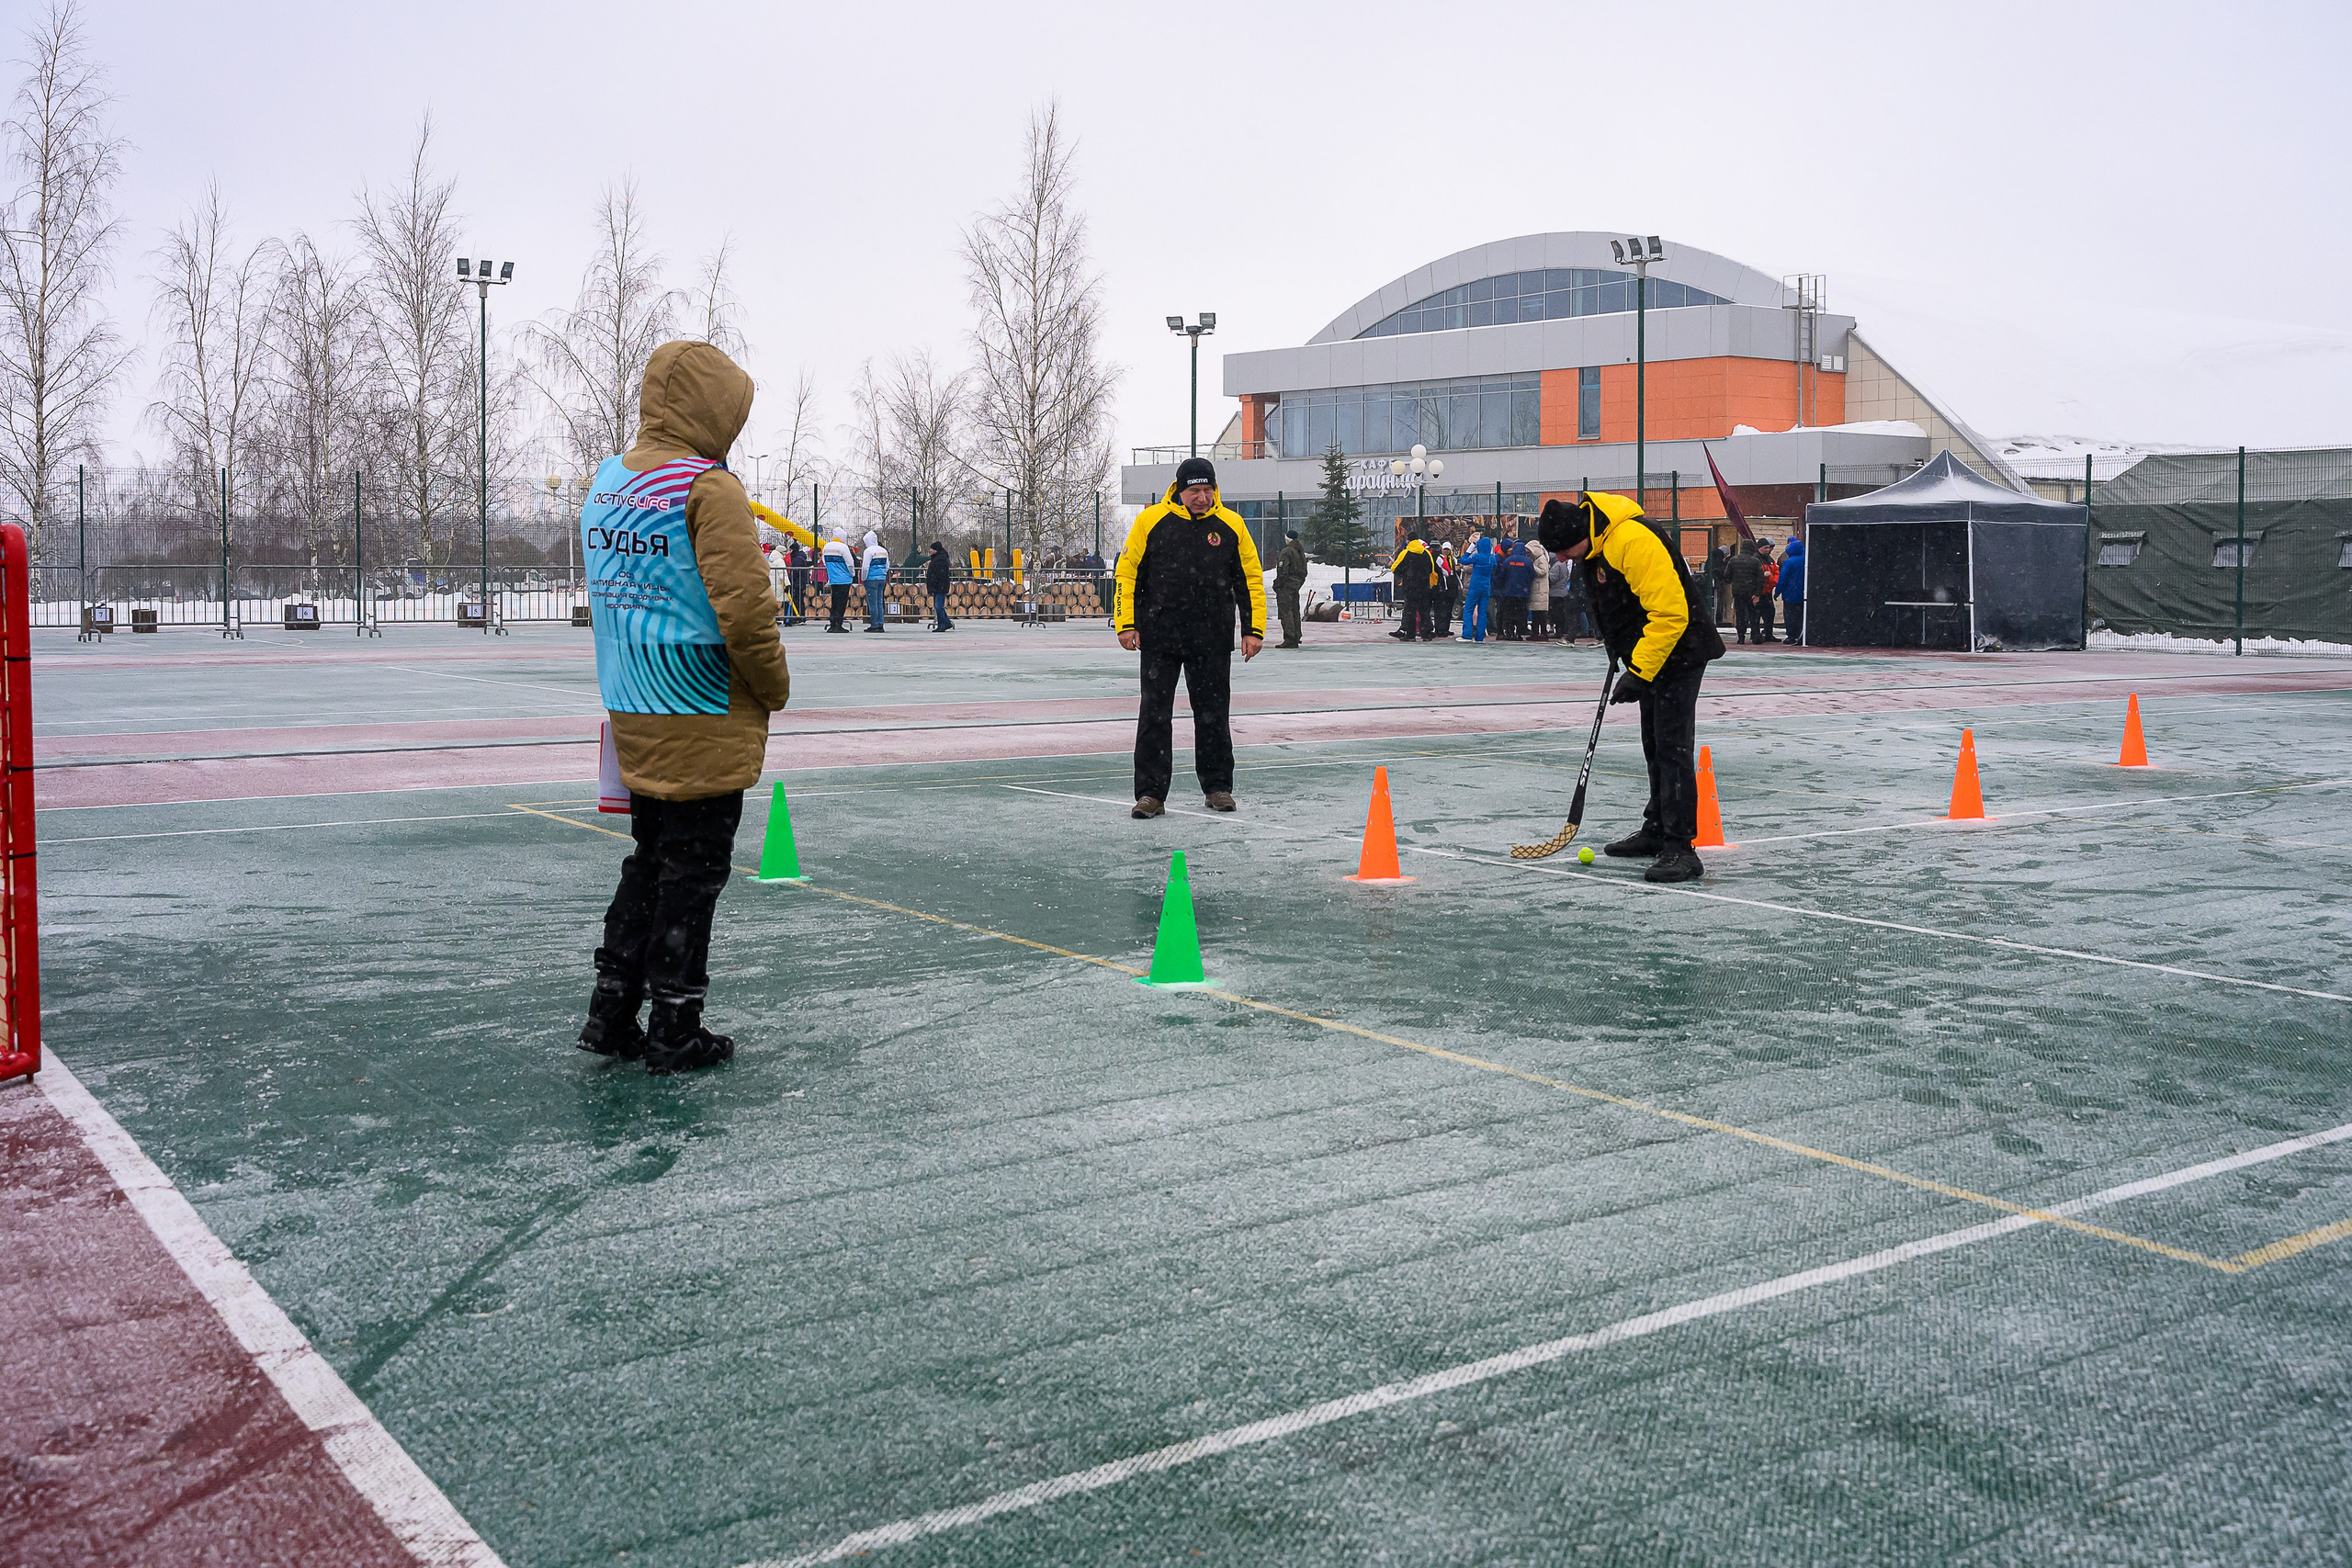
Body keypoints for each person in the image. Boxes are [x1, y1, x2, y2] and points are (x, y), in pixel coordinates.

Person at [575, 340, 789, 1074]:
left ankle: (611, 1007)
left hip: (633, 705)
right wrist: (774, 686)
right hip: (700, 707)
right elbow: (745, 610)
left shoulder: (608, 481)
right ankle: (675, 1024)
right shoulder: (709, 488)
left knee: (648, 860)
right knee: (693, 872)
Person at [1539, 491, 1724, 884]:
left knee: (1673, 748)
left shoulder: (1632, 541)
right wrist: (1619, 650)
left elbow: (1670, 613)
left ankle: (1681, 848)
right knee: (1654, 743)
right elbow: (1621, 606)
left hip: (1680, 651)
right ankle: (1656, 829)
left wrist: (1639, 670)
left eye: (1564, 550)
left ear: (1581, 532)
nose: (1561, 559)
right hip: (1653, 654)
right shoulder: (1596, 547)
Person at [1114, 456, 1265, 818]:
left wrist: (1253, 629)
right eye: (1195, 490)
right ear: (1179, 491)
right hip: (1159, 637)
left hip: (1211, 640)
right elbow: (1127, 573)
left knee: (1213, 715)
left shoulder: (1232, 525)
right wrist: (1126, 623)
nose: (1202, 497)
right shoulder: (1150, 522)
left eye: (1208, 490)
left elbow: (1250, 579)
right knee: (1154, 716)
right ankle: (1150, 794)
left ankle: (1218, 788)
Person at [1391, 530, 1436, 641]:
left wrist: (1405, 574)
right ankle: (1426, 634)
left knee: (1410, 610)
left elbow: (1394, 568)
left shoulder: (1405, 553)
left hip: (1411, 587)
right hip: (1424, 586)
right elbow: (1432, 569)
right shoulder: (1426, 553)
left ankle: (1410, 635)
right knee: (1424, 611)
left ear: (1408, 540)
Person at [1273, 528, 1308, 648]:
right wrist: (1298, 583)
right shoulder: (1300, 552)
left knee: (1286, 611)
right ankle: (1296, 636)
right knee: (1295, 611)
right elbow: (1304, 572)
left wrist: (1278, 583)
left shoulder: (1287, 551)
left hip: (1286, 586)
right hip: (1296, 585)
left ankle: (1289, 638)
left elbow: (1283, 570)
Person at [1727, 539, 1765, 645]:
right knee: (1754, 614)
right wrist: (1757, 593)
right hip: (1751, 592)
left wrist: (1735, 582)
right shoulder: (1755, 561)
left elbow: (1727, 576)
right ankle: (1755, 636)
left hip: (1738, 592)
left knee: (1740, 614)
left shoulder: (1733, 560)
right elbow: (1760, 579)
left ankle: (1741, 636)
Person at [1459, 534, 1495, 642]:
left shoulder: (1477, 557)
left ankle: (1467, 635)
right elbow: (1496, 566)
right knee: (1482, 612)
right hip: (1486, 587)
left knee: (1468, 610)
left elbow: (1463, 560)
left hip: (1475, 586)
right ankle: (1480, 636)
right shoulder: (1491, 558)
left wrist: (1470, 548)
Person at [1496, 538, 1533, 640]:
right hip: (1523, 593)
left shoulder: (1507, 561)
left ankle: (1510, 632)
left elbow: (1502, 575)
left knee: (1509, 613)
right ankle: (1519, 633)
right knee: (1521, 613)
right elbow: (1532, 575)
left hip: (1509, 592)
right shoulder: (1528, 561)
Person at [820, 528, 855, 632]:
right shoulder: (843, 547)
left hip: (833, 578)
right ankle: (838, 624)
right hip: (844, 579)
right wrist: (852, 574)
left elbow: (824, 561)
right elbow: (850, 562)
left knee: (835, 601)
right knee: (842, 602)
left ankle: (832, 623)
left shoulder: (826, 547)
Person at [1778, 532, 1806, 645]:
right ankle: (1801, 634)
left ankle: (1791, 636)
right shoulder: (1806, 559)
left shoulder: (1789, 562)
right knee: (1801, 616)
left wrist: (1778, 591)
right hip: (1803, 593)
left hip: (1790, 593)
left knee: (1790, 616)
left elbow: (1783, 578)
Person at [860, 530, 891, 632]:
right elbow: (887, 566)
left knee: (872, 603)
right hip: (881, 579)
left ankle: (874, 624)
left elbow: (865, 567)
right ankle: (880, 624)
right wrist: (882, 574)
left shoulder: (868, 551)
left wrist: (864, 578)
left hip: (871, 579)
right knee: (879, 602)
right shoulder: (883, 551)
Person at [1525, 536, 1552, 641]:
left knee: (1541, 615)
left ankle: (1542, 633)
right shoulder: (1537, 559)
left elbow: (1544, 572)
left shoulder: (1542, 559)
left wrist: (1532, 568)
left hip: (1540, 590)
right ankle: (1535, 632)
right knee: (1536, 614)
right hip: (1537, 590)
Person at [925, 540, 954, 631]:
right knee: (938, 606)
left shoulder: (940, 559)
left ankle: (942, 625)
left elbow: (938, 574)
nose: (930, 550)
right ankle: (946, 622)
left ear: (935, 550)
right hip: (939, 586)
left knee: (938, 606)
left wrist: (933, 584)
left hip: (939, 586)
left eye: (932, 549)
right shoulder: (939, 558)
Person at [1754, 538, 1780, 643]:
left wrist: (1772, 582)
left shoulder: (1770, 560)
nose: (1767, 550)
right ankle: (1756, 635)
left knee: (1770, 613)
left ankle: (1768, 634)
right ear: (1759, 548)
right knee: (1756, 615)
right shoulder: (1756, 559)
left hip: (1767, 592)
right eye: (1765, 548)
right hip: (1758, 592)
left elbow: (1776, 572)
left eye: (1768, 547)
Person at [1547, 547, 1575, 641]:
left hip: (1555, 592)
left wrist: (1548, 576)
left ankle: (1558, 631)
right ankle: (1561, 630)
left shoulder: (1556, 566)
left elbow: (1553, 579)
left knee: (1556, 613)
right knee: (1561, 613)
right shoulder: (1563, 564)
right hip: (1562, 592)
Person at [1434, 543, 1460, 638]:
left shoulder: (1453, 560)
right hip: (1444, 587)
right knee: (1441, 610)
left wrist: (1458, 569)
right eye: (1445, 549)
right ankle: (1440, 629)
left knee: (1449, 610)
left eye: (1448, 550)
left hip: (1452, 587)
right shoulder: (1440, 559)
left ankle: (1446, 628)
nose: (1446, 551)